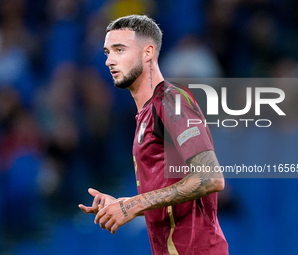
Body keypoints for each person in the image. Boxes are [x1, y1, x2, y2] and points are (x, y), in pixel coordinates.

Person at [79, 14, 229, 255]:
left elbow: (211, 178)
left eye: (119, 50)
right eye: (107, 52)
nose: (109, 61)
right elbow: (169, 189)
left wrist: (133, 206)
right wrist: (124, 203)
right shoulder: (146, 114)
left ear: (148, 52)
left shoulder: (171, 101)